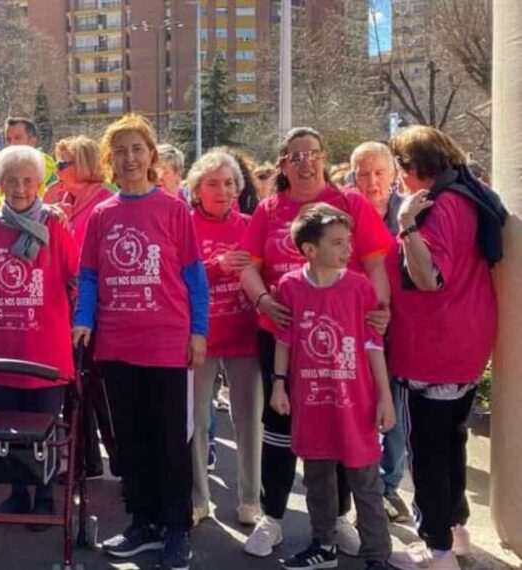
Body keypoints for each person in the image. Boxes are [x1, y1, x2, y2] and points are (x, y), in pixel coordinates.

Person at [239, 127, 394, 558]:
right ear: (283, 163)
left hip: (344, 339)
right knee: (281, 427)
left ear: (324, 158)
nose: (305, 161)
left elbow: (376, 263)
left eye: (312, 153)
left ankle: (337, 519)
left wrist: (380, 311)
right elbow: (249, 269)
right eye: (294, 155)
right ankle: (272, 516)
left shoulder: (351, 204)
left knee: (342, 422)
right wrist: (266, 301)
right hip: (285, 333)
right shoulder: (269, 209)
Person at [73, 114, 208, 570]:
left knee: (171, 441)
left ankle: (176, 528)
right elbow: (89, 276)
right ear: (110, 160)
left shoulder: (173, 209)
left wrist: (199, 331)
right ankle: (143, 523)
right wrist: (84, 319)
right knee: (128, 440)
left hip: (168, 344)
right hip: (117, 345)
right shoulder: (102, 214)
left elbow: (195, 278)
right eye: (121, 151)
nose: (130, 159)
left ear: (151, 156)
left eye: (138, 149)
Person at [386, 126, 505, 570]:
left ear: (416, 167)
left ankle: (436, 549)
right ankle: (455, 534)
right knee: (452, 444)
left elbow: (428, 278)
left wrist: (405, 227)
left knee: (429, 453)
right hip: (467, 345)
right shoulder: (470, 195)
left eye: (400, 166)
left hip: (433, 349)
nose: (399, 177)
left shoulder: (436, 207)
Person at [0, 144, 78, 525]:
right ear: (0, 183)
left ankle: (44, 495)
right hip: (0, 350)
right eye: (11, 181)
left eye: (27, 180)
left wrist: (84, 318)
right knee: (6, 429)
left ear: (39, 183)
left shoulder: (55, 225)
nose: (20, 188)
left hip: (46, 352)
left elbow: (75, 277)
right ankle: (17, 493)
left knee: (45, 429)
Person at [270, 203, 395, 570]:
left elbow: (373, 346)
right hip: (311, 403)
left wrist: (384, 397)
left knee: (366, 483)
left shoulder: (359, 288)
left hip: (355, 403)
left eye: (348, 242)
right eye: (338, 243)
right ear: (310, 250)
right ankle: (323, 545)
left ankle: (377, 556)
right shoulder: (290, 286)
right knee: (318, 480)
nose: (347, 249)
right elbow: (285, 340)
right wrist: (279, 385)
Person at [186, 150, 261, 527]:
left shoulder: (250, 224)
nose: (223, 190)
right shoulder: (184, 225)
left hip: (244, 335)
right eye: (212, 183)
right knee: (197, 420)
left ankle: (250, 499)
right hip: (200, 338)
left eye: (229, 183)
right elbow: (176, 278)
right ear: (197, 190)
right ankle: (200, 498)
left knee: (249, 421)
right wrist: (216, 267)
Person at [350, 141, 410, 522]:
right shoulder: (344, 214)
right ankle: (363, 491)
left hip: (402, 329)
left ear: (393, 175)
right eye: (364, 174)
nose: (372, 182)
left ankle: (389, 486)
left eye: (379, 173)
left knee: (395, 412)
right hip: (355, 329)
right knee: (359, 410)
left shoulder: (411, 214)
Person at [52, 135, 118, 479]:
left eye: (64, 164)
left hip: (97, 308)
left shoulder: (105, 202)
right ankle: (84, 460)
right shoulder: (63, 199)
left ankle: (121, 460)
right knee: (74, 387)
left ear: (85, 164)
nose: (58, 170)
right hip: (67, 308)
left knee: (100, 388)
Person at [0, 117, 56, 208]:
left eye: (18, 138)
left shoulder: (46, 167)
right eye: (8, 139)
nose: (12, 144)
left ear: (32, 141)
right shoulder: (6, 168)